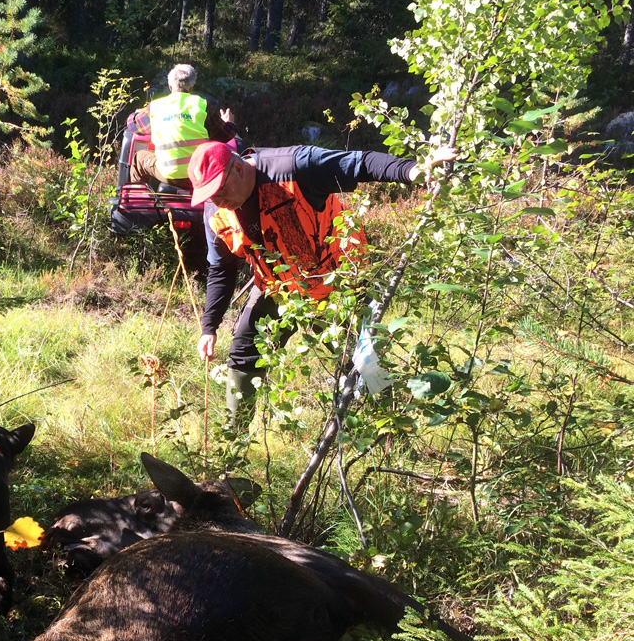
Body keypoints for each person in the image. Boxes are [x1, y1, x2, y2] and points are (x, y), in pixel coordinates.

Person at [187, 139, 457, 425]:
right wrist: (209, 326)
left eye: (219, 190)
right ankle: (234, 436)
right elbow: (222, 269)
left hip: (337, 283)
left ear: (239, 169)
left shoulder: (294, 167)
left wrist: (412, 170)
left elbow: (360, 162)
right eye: (209, 196)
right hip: (278, 287)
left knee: (364, 361)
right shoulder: (216, 212)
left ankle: (388, 430)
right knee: (245, 350)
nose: (217, 201)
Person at [127, 64, 237, 189]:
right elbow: (226, 135)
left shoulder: (155, 107)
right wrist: (228, 122)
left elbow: (132, 124)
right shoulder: (202, 105)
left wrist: (137, 114)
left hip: (168, 174)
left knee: (139, 158)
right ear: (191, 88)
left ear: (170, 87)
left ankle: (139, 198)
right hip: (199, 173)